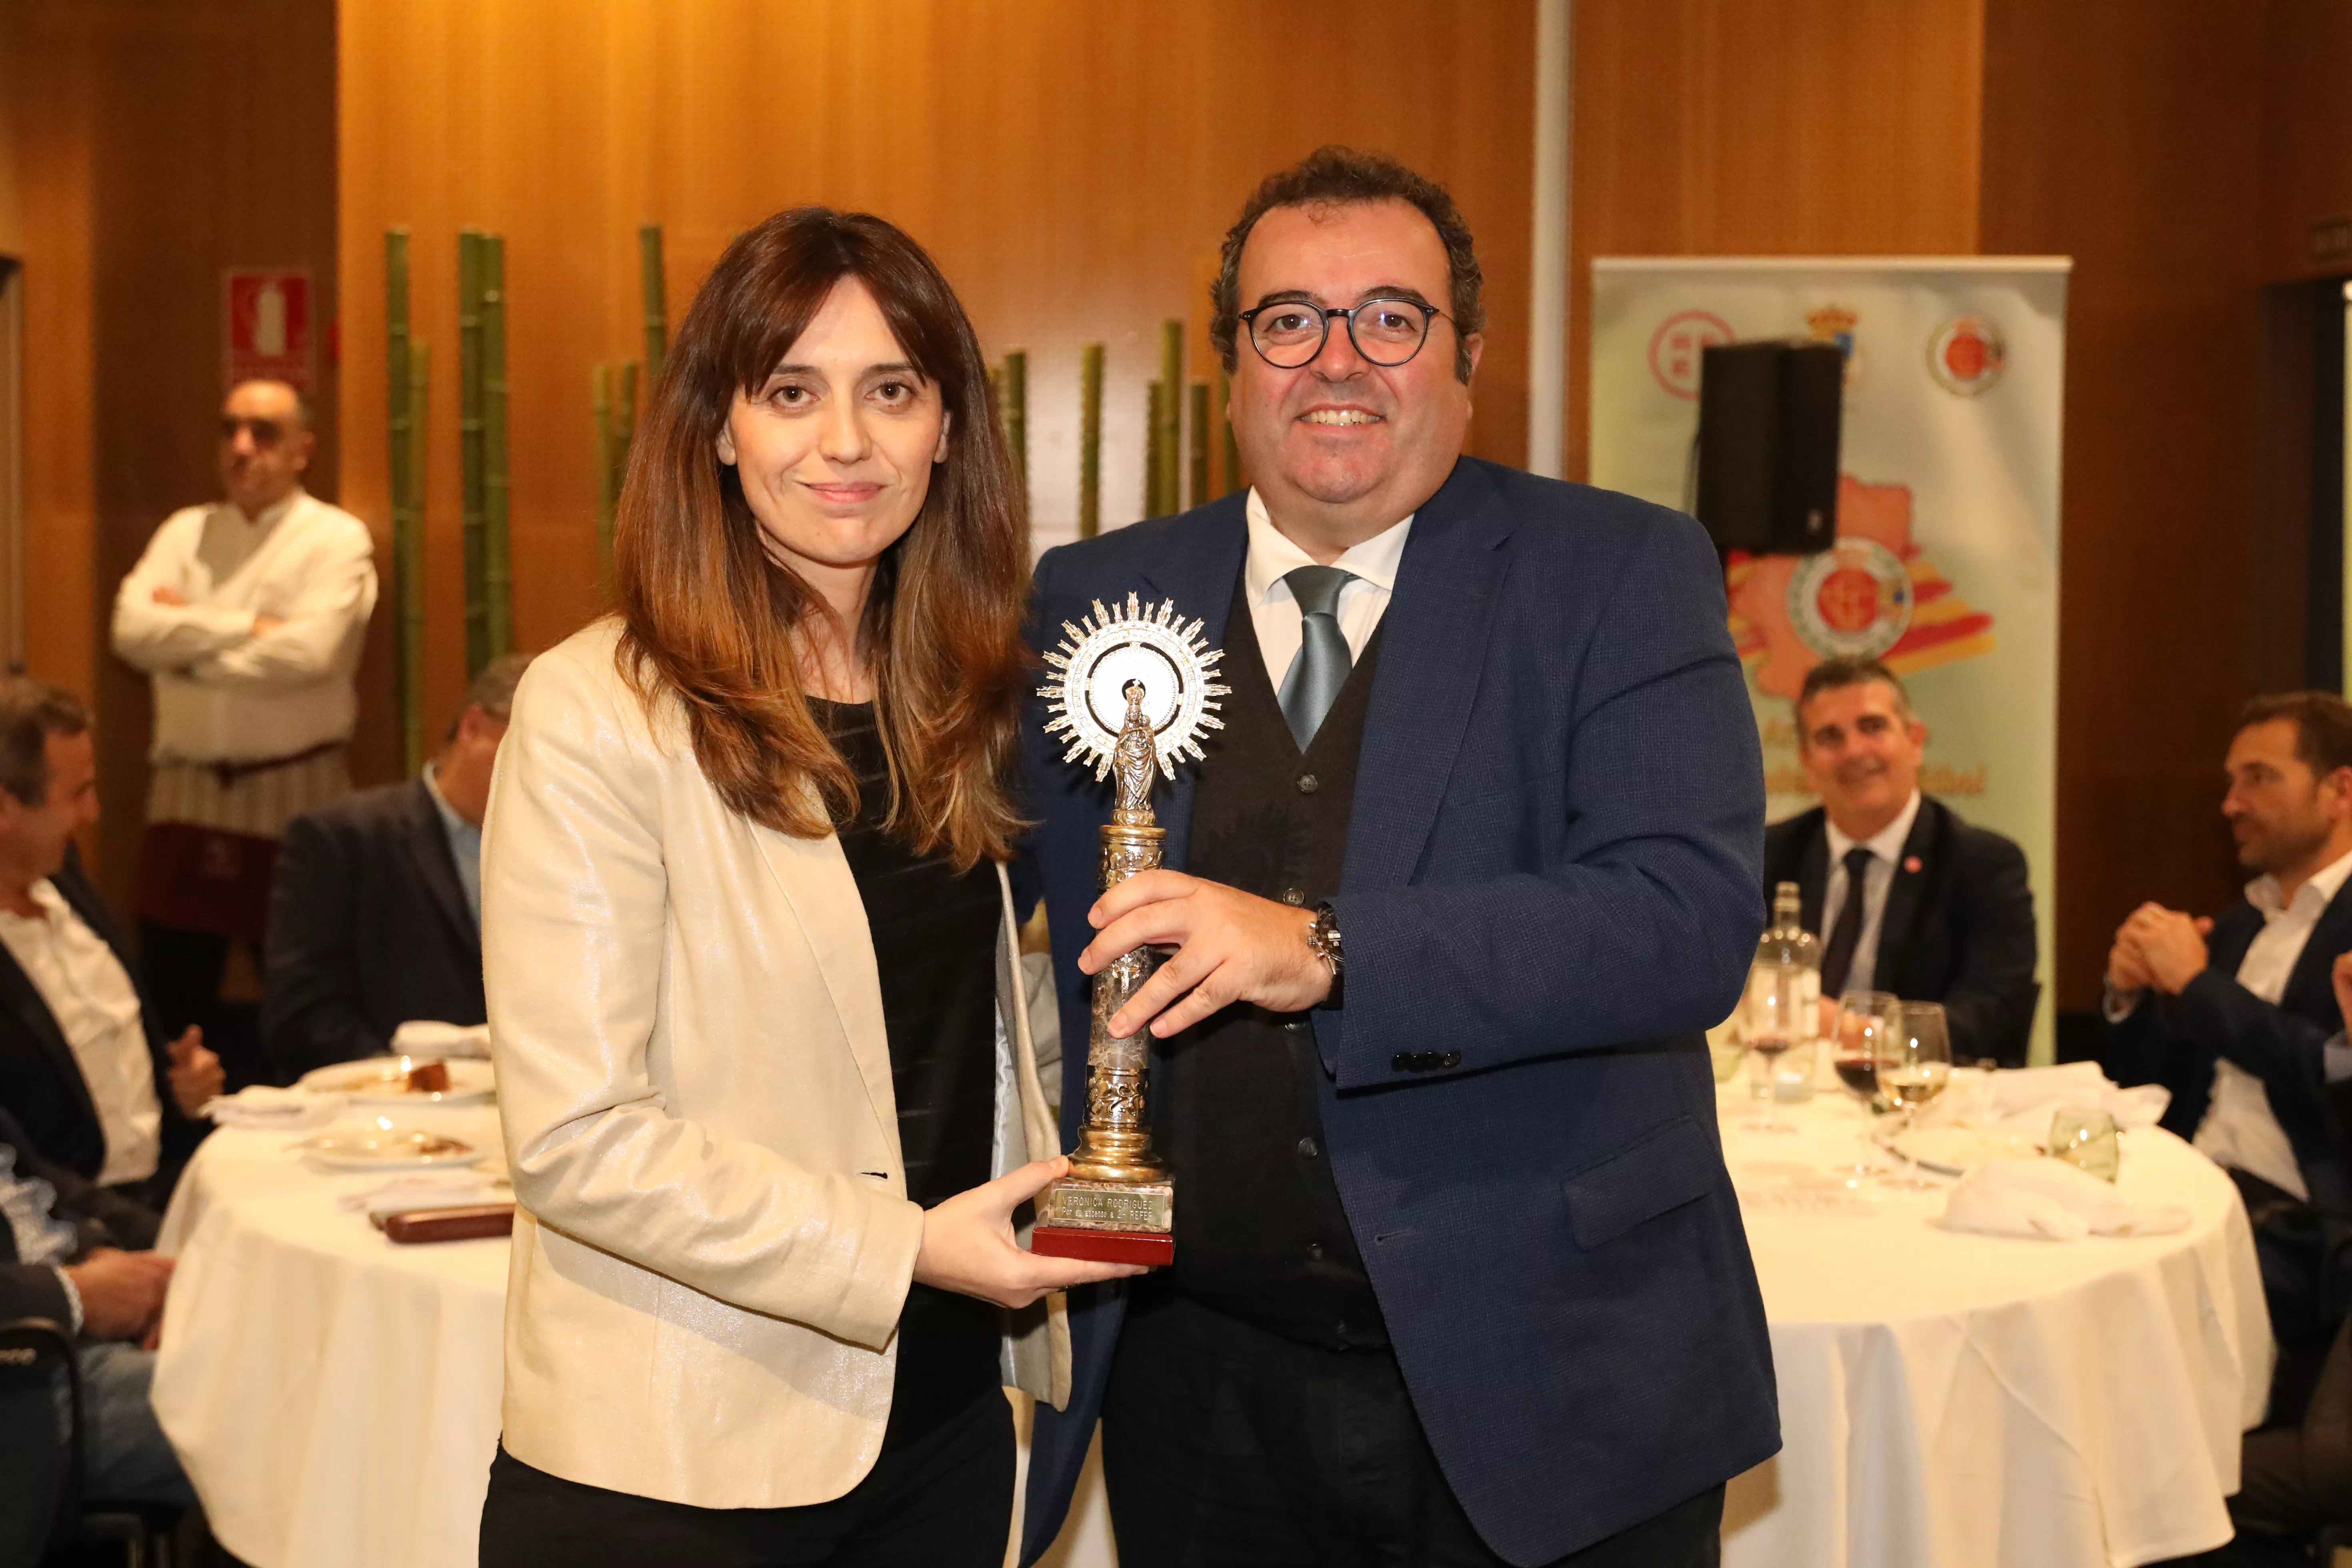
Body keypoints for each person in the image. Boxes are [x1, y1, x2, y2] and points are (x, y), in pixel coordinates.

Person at [1020, 147, 1776, 1568]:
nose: (1336, 359)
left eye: (1389, 315)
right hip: (1199, 1391)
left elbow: (1683, 920)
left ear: (1465, 353)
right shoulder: (1094, 598)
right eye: (1288, 319)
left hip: (1552, 1377)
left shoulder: (1617, 570)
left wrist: (1325, 948)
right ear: (1232, 361)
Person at [474, 208, 1136, 1568]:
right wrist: (901, 1250)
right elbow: (577, 1139)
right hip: (681, 1466)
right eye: (793, 392)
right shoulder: (598, 710)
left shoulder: (962, 702)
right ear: (720, 428)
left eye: (890, 391)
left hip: (945, 1431)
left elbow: (983, 1037)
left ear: (947, 427)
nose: (846, 443)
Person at [2100, 691, 2352, 1428]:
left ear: (2340, 790)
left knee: (2122, 1351)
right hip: (2189, 1182)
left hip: (2301, 1224)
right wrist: (2128, 996)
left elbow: (2331, 1073)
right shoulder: (2244, 923)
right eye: (2231, 781)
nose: (2231, 804)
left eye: (2259, 778)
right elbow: (2157, 1084)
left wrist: (2196, 985)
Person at [110, 378, 378, 1059]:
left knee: (303, 999)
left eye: (264, 433)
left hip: (295, 793)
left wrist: (186, 646)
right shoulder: (185, 531)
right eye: (230, 429)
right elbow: (130, 633)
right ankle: (172, 1153)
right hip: (185, 793)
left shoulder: (335, 538)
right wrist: (248, 630)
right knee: (171, 1000)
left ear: (302, 451)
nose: (241, 447)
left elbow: (312, 653)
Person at [0, 680, 219, 1203]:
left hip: (173, 1179)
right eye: (79, 793)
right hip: (80, 1222)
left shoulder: (64, 880)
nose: (93, 813)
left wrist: (175, 1085)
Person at [1762, 656, 2039, 1066]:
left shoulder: (1983, 864)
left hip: (1920, 1104)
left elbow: (1989, 1018)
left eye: (1873, 727)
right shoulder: (1772, 854)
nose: (1855, 751)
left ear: (1915, 740)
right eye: (1830, 737)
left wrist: (1855, 1030)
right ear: (1807, 763)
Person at [262, 654, 529, 1080]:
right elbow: (304, 1013)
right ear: (472, 727)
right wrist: (403, 1082)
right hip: (382, 1111)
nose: (540, 773)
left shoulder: (565, 848)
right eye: (528, 749)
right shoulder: (344, 838)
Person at [0, 1100, 191, 1540]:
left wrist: (127, 1273)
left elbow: (31, 1194)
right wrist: (76, 1294)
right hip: (22, 1375)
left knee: (302, 1333)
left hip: (60, 1323)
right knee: (297, 1401)